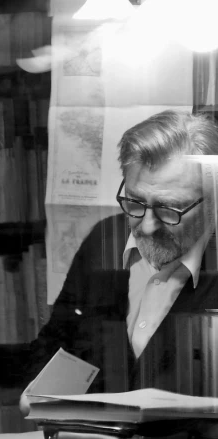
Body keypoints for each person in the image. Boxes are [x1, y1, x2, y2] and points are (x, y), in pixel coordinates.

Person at [21, 109, 218, 410]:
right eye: (135, 203)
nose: (148, 226)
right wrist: (40, 394)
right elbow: (60, 339)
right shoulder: (105, 242)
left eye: (170, 209)